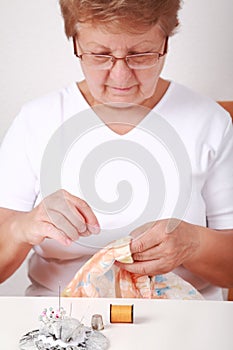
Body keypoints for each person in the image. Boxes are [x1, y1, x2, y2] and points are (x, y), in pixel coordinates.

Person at [0, 0, 232, 299]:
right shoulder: (36, 120)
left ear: (165, 44)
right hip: (60, 325)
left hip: (182, 320)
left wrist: (195, 244)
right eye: (100, 55)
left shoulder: (210, 121)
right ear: (76, 44)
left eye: (141, 54)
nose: (120, 77)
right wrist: (23, 227)